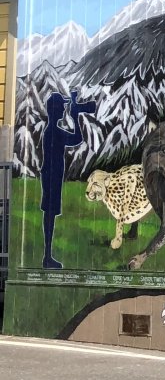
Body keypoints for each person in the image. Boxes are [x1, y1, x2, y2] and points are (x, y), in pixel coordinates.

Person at [40, 91, 95, 270]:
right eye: (62, 107)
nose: (64, 109)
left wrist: (73, 114)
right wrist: (76, 116)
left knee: (50, 213)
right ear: (55, 110)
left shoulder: (51, 131)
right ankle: (47, 257)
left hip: (50, 176)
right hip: (51, 177)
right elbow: (77, 138)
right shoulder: (54, 132)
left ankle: (47, 255)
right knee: (50, 213)